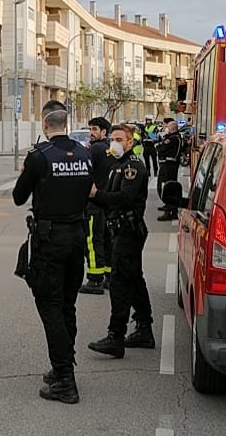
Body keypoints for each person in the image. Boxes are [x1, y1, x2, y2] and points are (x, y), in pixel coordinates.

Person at [12, 105, 94, 404]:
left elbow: (19, 198)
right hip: (76, 237)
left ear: (46, 125)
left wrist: (26, 172)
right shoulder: (85, 154)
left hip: (49, 241)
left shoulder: (39, 157)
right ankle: (64, 365)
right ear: (66, 124)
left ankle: (64, 380)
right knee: (67, 305)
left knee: (49, 306)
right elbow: (88, 191)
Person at [88, 123, 153, 358]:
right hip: (121, 230)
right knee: (134, 280)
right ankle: (144, 328)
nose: (114, 143)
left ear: (130, 142)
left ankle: (116, 336)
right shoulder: (118, 165)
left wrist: (96, 194)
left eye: (119, 139)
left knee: (118, 283)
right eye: (112, 139)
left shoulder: (132, 167)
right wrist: (93, 197)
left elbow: (123, 198)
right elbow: (108, 199)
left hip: (129, 231)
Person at [80, 116, 117, 295]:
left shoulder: (94, 149)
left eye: (94, 129)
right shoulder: (112, 149)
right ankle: (109, 276)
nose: (91, 133)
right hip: (107, 201)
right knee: (107, 240)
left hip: (93, 203)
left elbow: (83, 173)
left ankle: (95, 280)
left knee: (93, 241)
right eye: (90, 129)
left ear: (104, 132)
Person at [156, 120, 183, 221]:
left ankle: (171, 211)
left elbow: (161, 148)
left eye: (167, 126)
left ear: (172, 128)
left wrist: (159, 146)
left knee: (167, 187)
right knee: (164, 186)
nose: (166, 127)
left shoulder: (174, 139)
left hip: (169, 166)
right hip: (167, 166)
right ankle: (168, 206)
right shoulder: (171, 137)